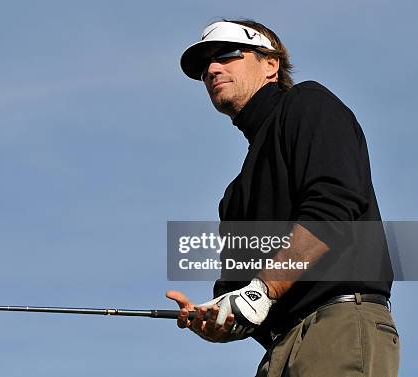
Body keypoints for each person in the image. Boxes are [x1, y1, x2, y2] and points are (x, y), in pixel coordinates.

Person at [166, 19, 400, 376]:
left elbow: (334, 205)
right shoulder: (234, 196)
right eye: (204, 67)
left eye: (227, 55)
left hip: (335, 326)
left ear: (271, 64)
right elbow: (240, 293)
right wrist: (218, 322)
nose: (212, 69)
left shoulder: (308, 103)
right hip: (279, 348)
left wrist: (263, 289)